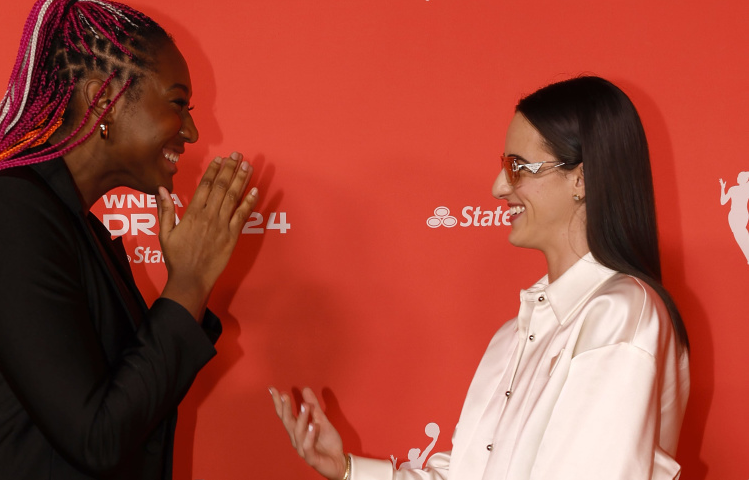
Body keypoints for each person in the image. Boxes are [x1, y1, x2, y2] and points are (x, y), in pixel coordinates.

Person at [0, 0, 258, 480]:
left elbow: (129, 415)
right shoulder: (7, 211)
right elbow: (95, 437)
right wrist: (187, 285)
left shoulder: (75, 226)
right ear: (102, 100)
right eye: (178, 103)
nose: (191, 132)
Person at [270, 76, 690, 480]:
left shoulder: (619, 313)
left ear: (581, 178)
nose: (498, 187)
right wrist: (348, 470)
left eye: (518, 167)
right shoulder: (513, 335)